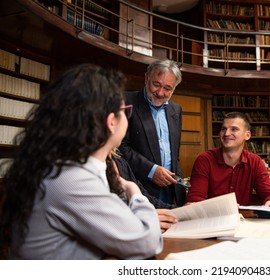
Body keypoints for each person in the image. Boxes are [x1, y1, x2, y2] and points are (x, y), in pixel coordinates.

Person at [0, 64, 162, 259]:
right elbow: (147, 242)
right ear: (111, 121)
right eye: (124, 111)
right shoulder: (70, 178)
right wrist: (133, 190)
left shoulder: (71, 167)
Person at [119, 59, 186, 206]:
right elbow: (119, 147)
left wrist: (181, 190)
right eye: (156, 84)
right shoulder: (125, 101)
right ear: (146, 78)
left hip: (170, 190)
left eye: (168, 88)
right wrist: (151, 170)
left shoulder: (176, 110)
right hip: (138, 187)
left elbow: (174, 156)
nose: (160, 93)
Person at [186, 111, 270, 208]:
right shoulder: (205, 160)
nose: (226, 133)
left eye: (234, 129)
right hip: (211, 220)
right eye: (223, 129)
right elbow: (194, 200)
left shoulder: (255, 162)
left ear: (247, 135)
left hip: (243, 220)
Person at [109, 150, 178, 232]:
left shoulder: (120, 162)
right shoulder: (93, 170)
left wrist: (179, 211)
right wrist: (144, 219)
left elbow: (147, 198)